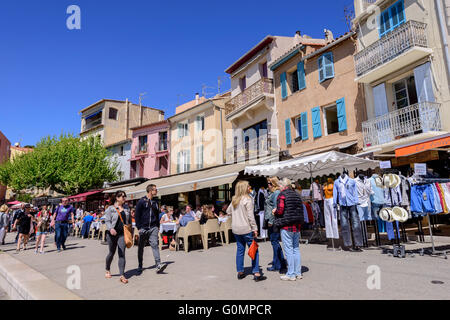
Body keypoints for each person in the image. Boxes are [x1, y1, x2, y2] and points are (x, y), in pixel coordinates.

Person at [227, 180, 266, 282]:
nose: (250, 188)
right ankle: (256, 272)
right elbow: (250, 216)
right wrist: (255, 228)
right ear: (244, 188)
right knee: (254, 249)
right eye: (248, 186)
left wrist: (236, 216)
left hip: (236, 229)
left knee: (240, 250)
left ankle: (240, 272)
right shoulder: (248, 200)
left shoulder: (234, 200)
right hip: (246, 228)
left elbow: (228, 211)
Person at [273, 178, 305, 281]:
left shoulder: (282, 195)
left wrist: (275, 211)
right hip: (297, 225)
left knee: (289, 250)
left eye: (280, 185)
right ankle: (298, 272)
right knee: (296, 249)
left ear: (283, 185)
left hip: (286, 225)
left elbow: (280, 210)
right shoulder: (296, 195)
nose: (279, 187)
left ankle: (291, 274)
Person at [135, 184, 166, 274]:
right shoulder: (141, 201)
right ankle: (140, 265)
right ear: (150, 191)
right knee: (141, 248)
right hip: (143, 228)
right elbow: (137, 216)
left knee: (155, 245)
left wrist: (157, 226)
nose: (157, 191)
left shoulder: (155, 203)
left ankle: (158, 264)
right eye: (155, 190)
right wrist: (139, 228)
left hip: (153, 227)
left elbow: (156, 215)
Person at [104, 190, 132, 284]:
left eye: (125, 196)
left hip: (122, 234)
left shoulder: (127, 208)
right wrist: (111, 228)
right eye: (122, 196)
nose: (124, 198)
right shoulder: (110, 208)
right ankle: (107, 269)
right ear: (117, 198)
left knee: (122, 253)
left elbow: (128, 221)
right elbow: (107, 221)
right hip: (112, 234)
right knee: (111, 253)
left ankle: (122, 275)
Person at [264, 177, 286, 272]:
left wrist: (271, 221)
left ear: (273, 184)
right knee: (275, 242)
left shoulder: (276, 193)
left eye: (269, 183)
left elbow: (275, 209)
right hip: (271, 220)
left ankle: (277, 264)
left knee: (274, 242)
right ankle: (281, 263)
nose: (268, 185)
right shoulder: (272, 193)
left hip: (273, 221)